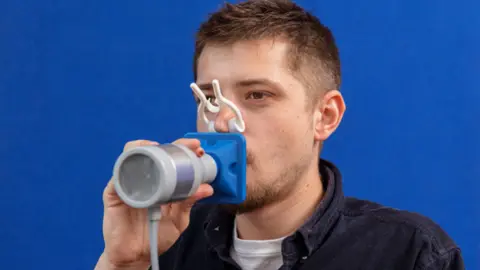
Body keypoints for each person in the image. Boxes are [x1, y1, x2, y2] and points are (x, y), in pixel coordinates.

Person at [95, 1, 464, 269]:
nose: (222, 122)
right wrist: (124, 263)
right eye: (209, 98)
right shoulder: (167, 245)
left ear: (325, 116)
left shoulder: (409, 254)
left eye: (257, 95)